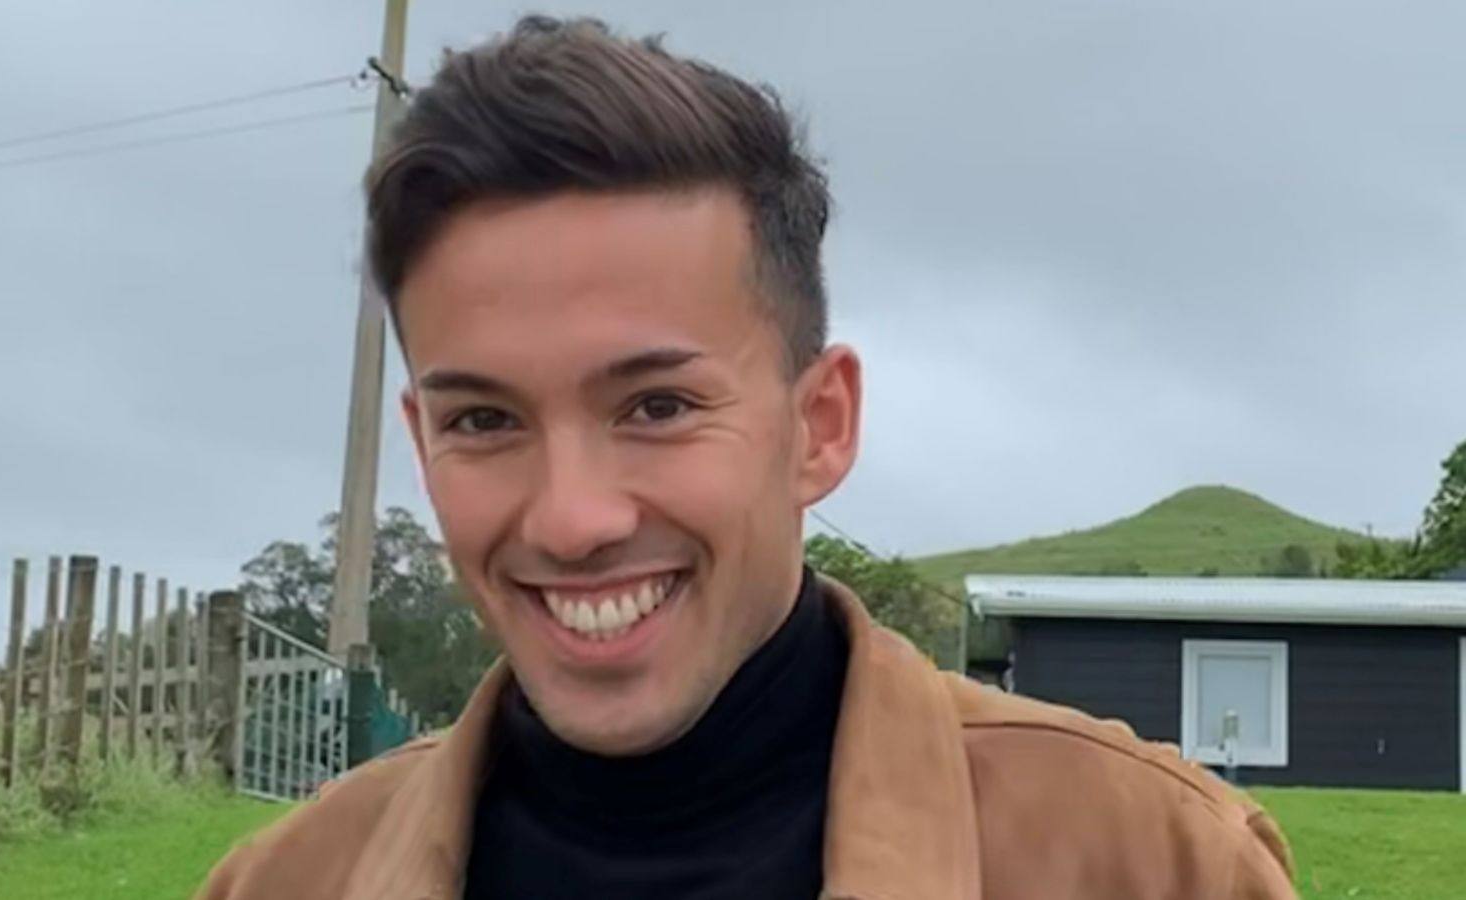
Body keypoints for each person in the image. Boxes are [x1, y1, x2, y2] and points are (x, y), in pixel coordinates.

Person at [198, 15, 1298, 900]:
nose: (571, 520)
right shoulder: (287, 881)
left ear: (818, 425)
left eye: (657, 405)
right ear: (422, 443)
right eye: (484, 422)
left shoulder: (1150, 862)